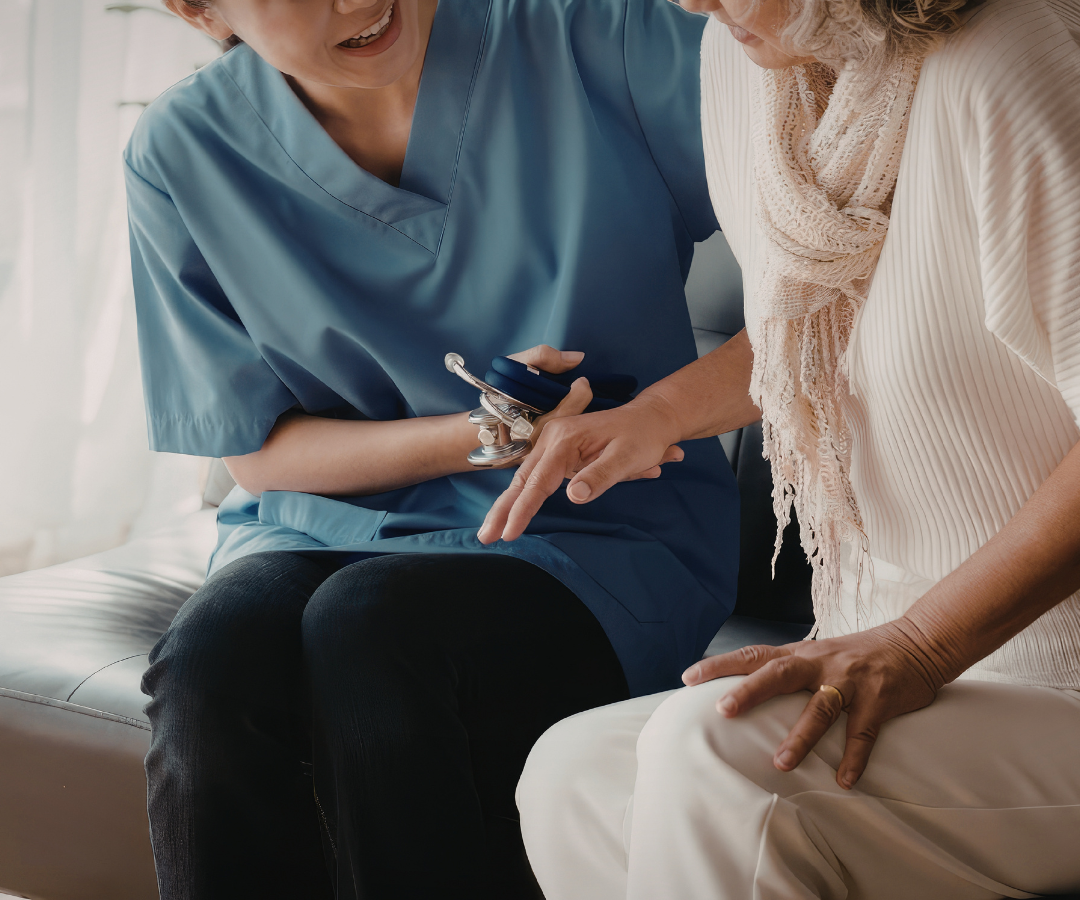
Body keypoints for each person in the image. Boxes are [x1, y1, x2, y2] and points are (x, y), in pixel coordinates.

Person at [124, 0, 741, 898]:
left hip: (595, 532)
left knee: (374, 630)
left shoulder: (601, 38)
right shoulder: (183, 152)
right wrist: (486, 434)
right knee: (210, 666)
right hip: (316, 527)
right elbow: (258, 456)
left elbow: (839, 259)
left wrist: (658, 413)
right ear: (196, 9)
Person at [491, 0, 1080, 896]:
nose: (692, 2)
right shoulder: (749, 68)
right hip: (879, 641)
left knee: (720, 762)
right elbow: (811, 316)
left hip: (1051, 678)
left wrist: (918, 645)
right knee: (575, 774)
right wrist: (657, 412)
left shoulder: (1011, 59)